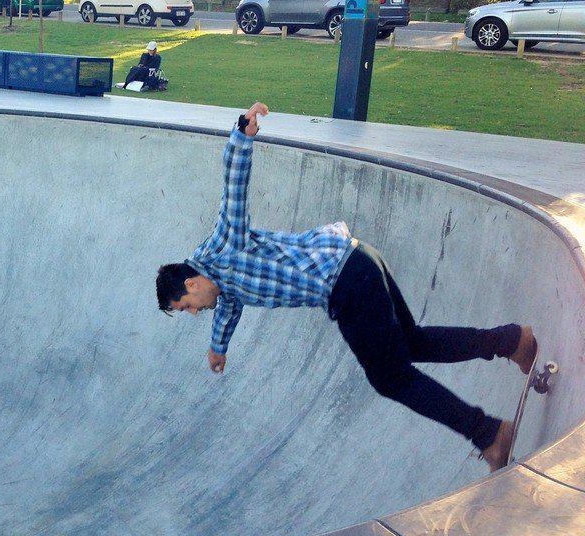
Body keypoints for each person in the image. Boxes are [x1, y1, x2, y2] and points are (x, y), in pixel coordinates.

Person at [155, 102, 536, 472]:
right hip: (359, 260)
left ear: (191, 281)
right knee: (412, 343)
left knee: (390, 378)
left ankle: (489, 434)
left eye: (188, 305)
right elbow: (227, 308)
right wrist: (217, 347)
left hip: (347, 284)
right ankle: (512, 341)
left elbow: (232, 195)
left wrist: (242, 136)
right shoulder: (221, 286)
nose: (195, 311)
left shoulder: (222, 246)